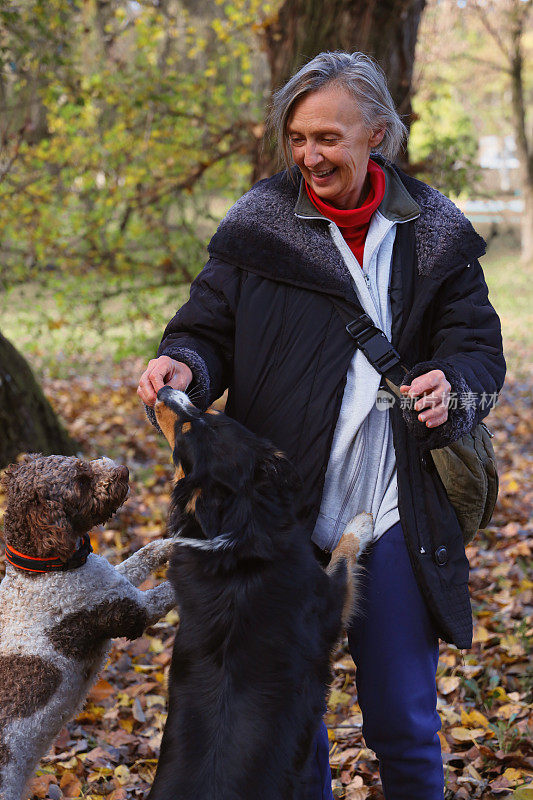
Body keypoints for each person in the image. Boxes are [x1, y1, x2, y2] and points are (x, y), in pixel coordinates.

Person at [137, 51, 505, 800]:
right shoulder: (258, 227)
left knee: (402, 719)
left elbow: (476, 350)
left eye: (328, 137)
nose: (310, 155)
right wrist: (183, 367)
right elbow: (204, 331)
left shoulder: (435, 232)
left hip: (396, 504)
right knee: (285, 726)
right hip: (279, 511)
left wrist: (451, 388)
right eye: (298, 137)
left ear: (376, 133)